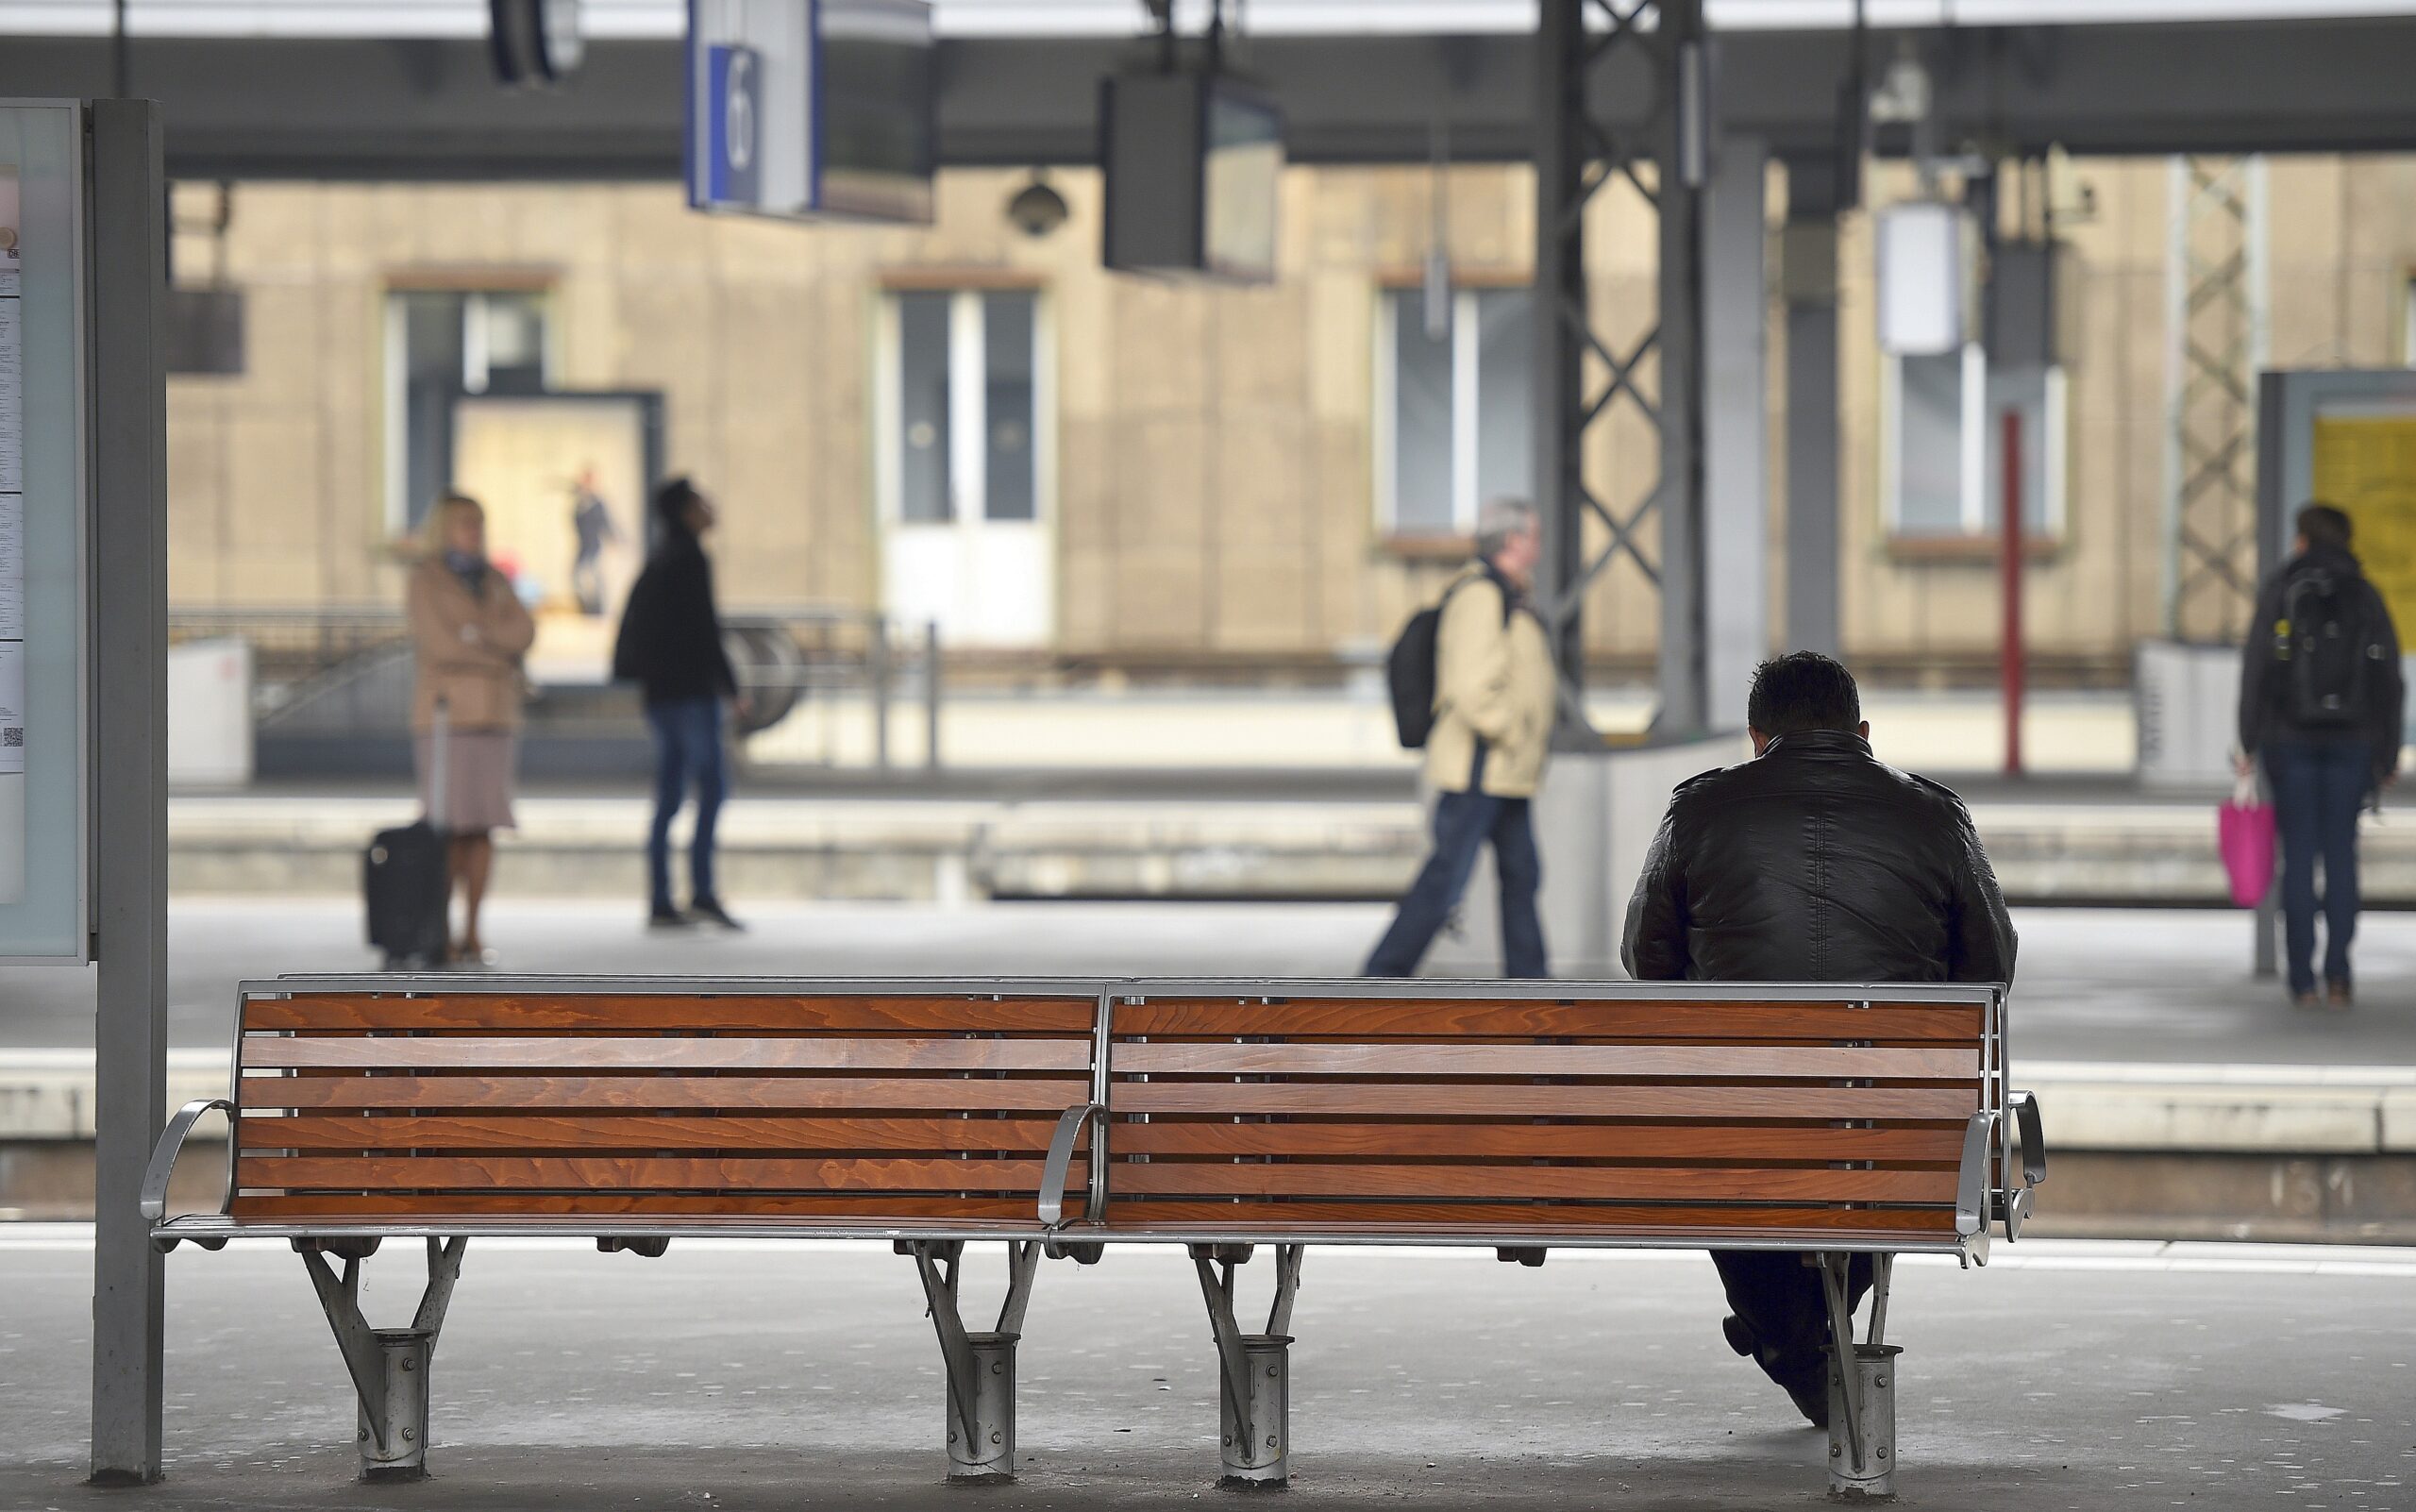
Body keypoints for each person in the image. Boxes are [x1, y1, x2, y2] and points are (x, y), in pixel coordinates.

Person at [1621, 650, 2016, 1429]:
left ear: (1755, 737)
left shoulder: (1699, 811)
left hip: (1738, 1122)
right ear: (1863, 732)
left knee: (1718, 1149)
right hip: (1896, 1128)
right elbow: (1991, 969)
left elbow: (1646, 958)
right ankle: (1794, 1336)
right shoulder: (1937, 815)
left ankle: (1789, 1339)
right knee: (1867, 1164)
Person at [1363, 496, 1556, 978]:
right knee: (1445, 881)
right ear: (1513, 541)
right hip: (1482, 766)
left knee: (1521, 876)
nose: (1538, 545)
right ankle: (1381, 978)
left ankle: (1532, 984)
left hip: (1504, 771)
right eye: (1533, 535)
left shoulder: (1507, 594)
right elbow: (1472, 687)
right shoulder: (1482, 596)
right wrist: (1513, 732)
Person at [2236, 502, 2405, 1010]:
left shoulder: (2283, 591)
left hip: (2290, 742)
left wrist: (2248, 741)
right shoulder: (2366, 595)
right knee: (2341, 857)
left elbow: (2257, 670)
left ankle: (2302, 981)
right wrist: (2389, 753)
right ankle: (2339, 975)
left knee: (2299, 857)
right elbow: (2390, 680)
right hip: (2352, 745)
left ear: (2304, 540)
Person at [406, 492, 536, 967]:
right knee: (447, 828)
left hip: (496, 717)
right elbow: (440, 646)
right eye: (465, 522)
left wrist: (478, 637)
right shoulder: (426, 580)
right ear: (444, 527)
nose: (475, 531)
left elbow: (524, 632)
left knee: (484, 827)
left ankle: (473, 932)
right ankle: (436, 931)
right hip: (448, 719)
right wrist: (494, 647)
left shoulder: (495, 579)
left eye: (480, 522)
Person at [613, 477, 747, 932]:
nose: (711, 506)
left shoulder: (659, 558)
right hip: (691, 693)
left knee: (669, 795)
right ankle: (702, 892)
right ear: (687, 511)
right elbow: (704, 630)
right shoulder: (690, 558)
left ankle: (661, 898)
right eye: (702, 501)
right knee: (711, 788)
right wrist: (730, 685)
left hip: (660, 694)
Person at [569, 465, 620, 617]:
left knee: (594, 578)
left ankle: (598, 611)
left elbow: (606, 523)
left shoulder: (597, 502)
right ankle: (587, 609)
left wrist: (615, 539)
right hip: (583, 546)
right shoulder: (580, 502)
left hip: (593, 546)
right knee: (578, 578)